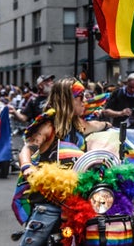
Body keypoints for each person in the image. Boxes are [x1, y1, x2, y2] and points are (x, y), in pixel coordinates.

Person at [17, 78, 111, 246]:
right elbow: (27, 148)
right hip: (49, 199)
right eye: (80, 96)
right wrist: (27, 166)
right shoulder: (48, 126)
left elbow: (96, 125)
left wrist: (108, 125)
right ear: (67, 99)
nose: (85, 101)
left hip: (75, 200)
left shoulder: (79, 125)